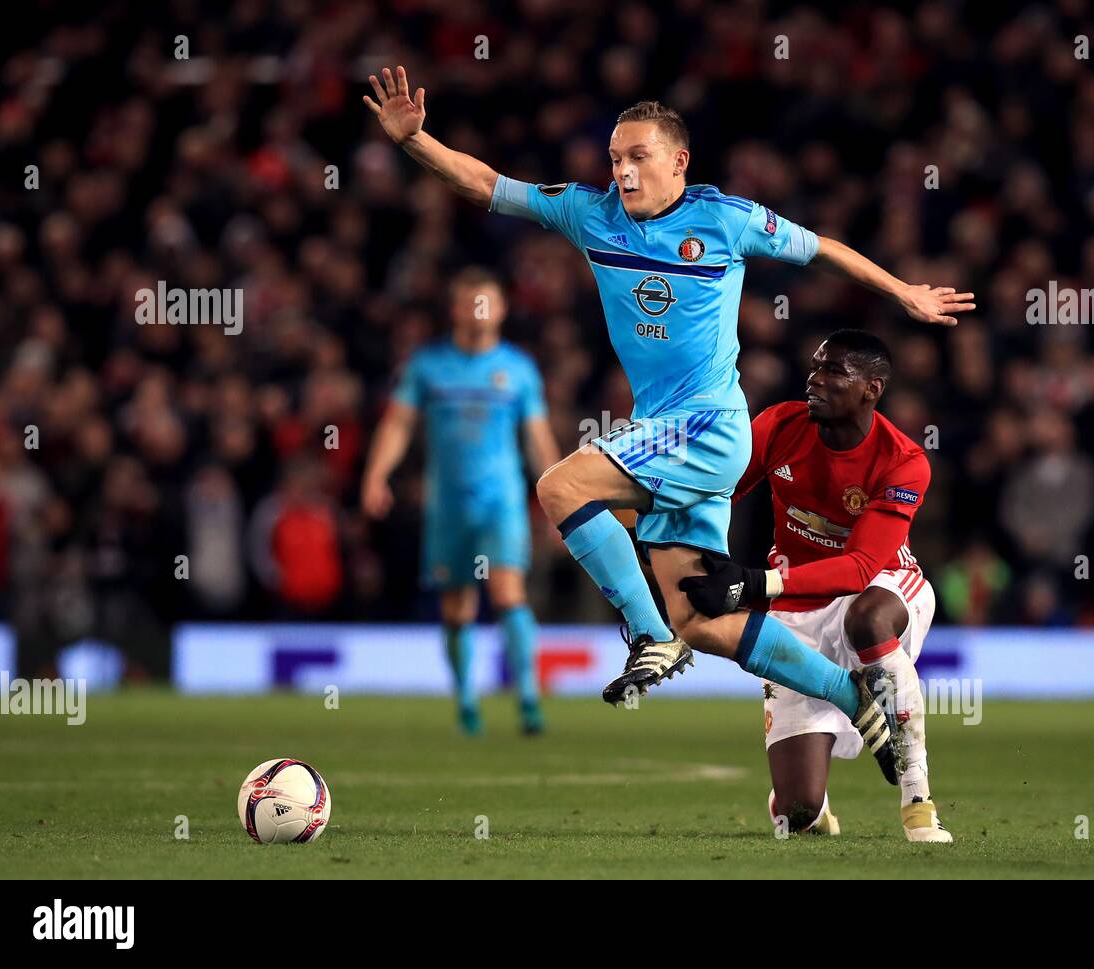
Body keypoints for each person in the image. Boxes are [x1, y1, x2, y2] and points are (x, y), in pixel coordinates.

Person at [364, 68, 974, 759]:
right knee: (706, 618)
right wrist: (416, 142)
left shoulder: (726, 219)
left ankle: (647, 634)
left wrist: (902, 293)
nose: (622, 172)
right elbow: (485, 184)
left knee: (561, 485)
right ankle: (850, 696)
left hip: (710, 424)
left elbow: (821, 250)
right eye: (615, 158)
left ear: (679, 161)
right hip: (666, 433)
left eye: (638, 157)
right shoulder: (589, 213)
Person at [680, 330, 951, 842]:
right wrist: (684, 548)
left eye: (834, 373)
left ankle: (918, 799)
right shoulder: (781, 423)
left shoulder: (903, 461)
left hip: (881, 585)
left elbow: (860, 565)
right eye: (815, 367)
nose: (816, 380)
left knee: (867, 619)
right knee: (797, 815)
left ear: (872, 388)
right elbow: (721, 492)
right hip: (794, 610)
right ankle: (816, 795)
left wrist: (752, 584)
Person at [361, 267, 560, 735]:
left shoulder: (517, 369)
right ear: (454, 309)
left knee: (508, 591)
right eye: (472, 302)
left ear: (502, 310)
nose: (480, 311)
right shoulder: (428, 366)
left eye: (487, 302)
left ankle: (529, 699)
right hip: (447, 506)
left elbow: (537, 438)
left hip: (501, 501)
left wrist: (555, 495)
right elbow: (397, 424)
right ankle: (467, 702)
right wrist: (376, 475)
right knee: (456, 606)